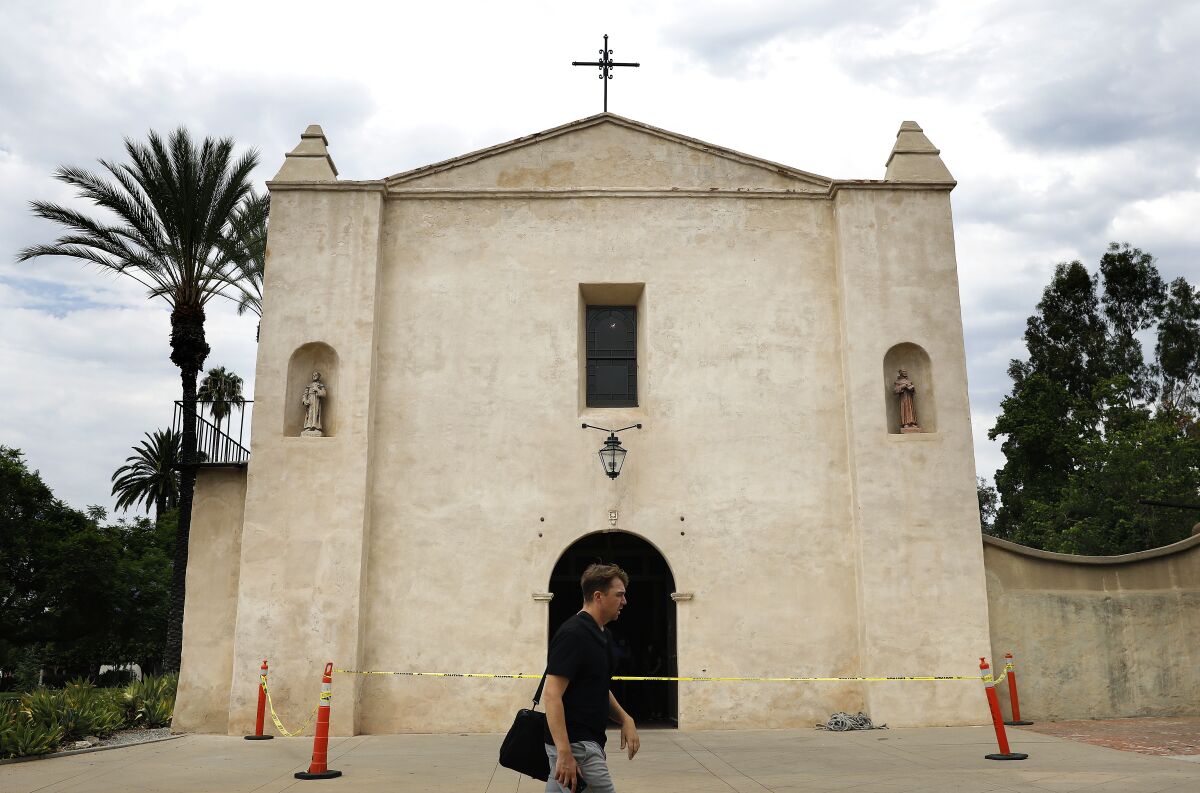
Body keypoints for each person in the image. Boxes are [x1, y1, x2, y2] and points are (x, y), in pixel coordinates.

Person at [543, 563, 640, 793]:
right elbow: (552, 693)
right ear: (598, 596)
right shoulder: (574, 634)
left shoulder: (601, 634)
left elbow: (597, 687)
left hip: (581, 745)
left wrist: (626, 718)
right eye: (619, 595)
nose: (624, 601)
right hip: (578, 748)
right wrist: (564, 753)